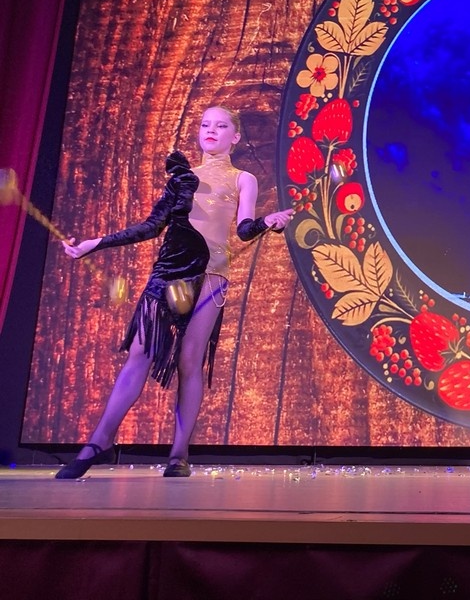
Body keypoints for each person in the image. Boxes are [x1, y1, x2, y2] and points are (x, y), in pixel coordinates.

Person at [56, 106, 293, 479]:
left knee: (189, 361)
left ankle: (179, 454)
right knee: (139, 354)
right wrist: (95, 243)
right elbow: (151, 226)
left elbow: (245, 229)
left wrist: (268, 221)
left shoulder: (242, 179)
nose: (211, 130)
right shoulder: (182, 178)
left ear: (235, 137)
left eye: (221, 125)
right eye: (205, 124)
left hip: (209, 278)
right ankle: (99, 442)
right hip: (166, 275)